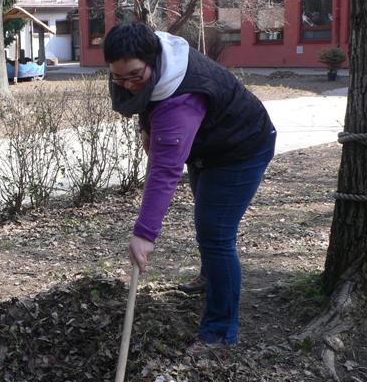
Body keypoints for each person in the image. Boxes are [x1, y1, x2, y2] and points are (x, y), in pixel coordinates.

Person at [104, 22, 276, 352]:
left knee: (216, 235)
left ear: (152, 61)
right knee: (209, 227)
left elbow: (165, 170)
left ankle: (220, 332)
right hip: (207, 147)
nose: (127, 86)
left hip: (241, 150)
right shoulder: (155, 66)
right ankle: (211, 278)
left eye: (135, 76)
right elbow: (147, 103)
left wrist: (145, 233)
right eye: (118, 77)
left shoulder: (180, 97)